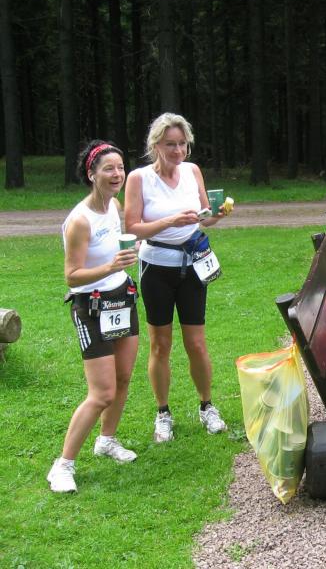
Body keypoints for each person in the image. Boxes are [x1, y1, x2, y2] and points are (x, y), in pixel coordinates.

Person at [124, 113, 228, 443]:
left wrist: (217, 215)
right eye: (171, 144)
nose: (178, 150)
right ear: (156, 145)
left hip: (193, 264)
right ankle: (163, 412)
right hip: (156, 267)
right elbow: (132, 228)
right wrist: (170, 221)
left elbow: (204, 218)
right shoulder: (139, 178)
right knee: (160, 344)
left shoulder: (192, 171)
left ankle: (207, 406)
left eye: (183, 144)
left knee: (196, 342)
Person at [48, 141, 140, 493]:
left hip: (122, 297)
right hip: (91, 306)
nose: (117, 174)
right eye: (108, 169)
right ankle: (63, 466)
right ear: (91, 174)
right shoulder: (79, 220)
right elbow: (71, 276)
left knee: (123, 377)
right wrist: (109, 267)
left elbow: (117, 250)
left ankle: (107, 440)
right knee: (101, 393)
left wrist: (130, 255)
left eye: (120, 167)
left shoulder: (113, 205)